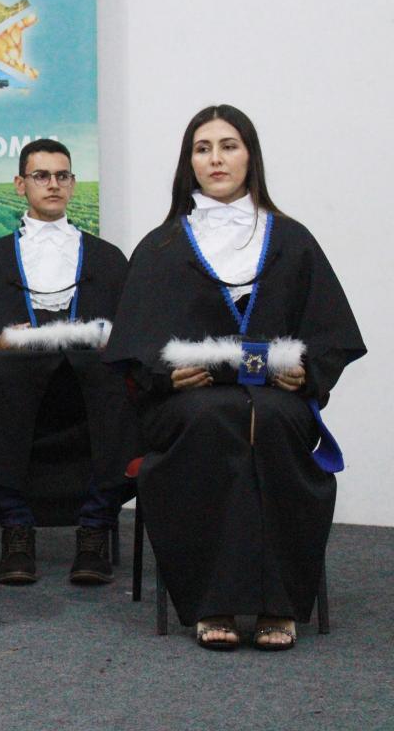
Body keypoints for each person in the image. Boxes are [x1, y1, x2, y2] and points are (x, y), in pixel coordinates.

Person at [104, 105, 365, 650]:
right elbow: (134, 346)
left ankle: (279, 603)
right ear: (189, 162)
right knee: (213, 419)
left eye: (229, 145)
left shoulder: (292, 239)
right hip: (187, 404)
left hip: (276, 401)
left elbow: (331, 334)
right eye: (203, 148)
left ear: (251, 156)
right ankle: (211, 601)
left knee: (269, 421)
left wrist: (309, 373)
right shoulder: (161, 247)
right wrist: (166, 375)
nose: (216, 159)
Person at [0, 139, 137, 586]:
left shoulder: (108, 259)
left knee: (116, 373)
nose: (53, 184)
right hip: (13, 388)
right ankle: (15, 528)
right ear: (20, 184)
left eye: (62, 176)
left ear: (73, 184)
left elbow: (134, 339)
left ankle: (95, 527)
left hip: (87, 389)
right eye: (41, 176)